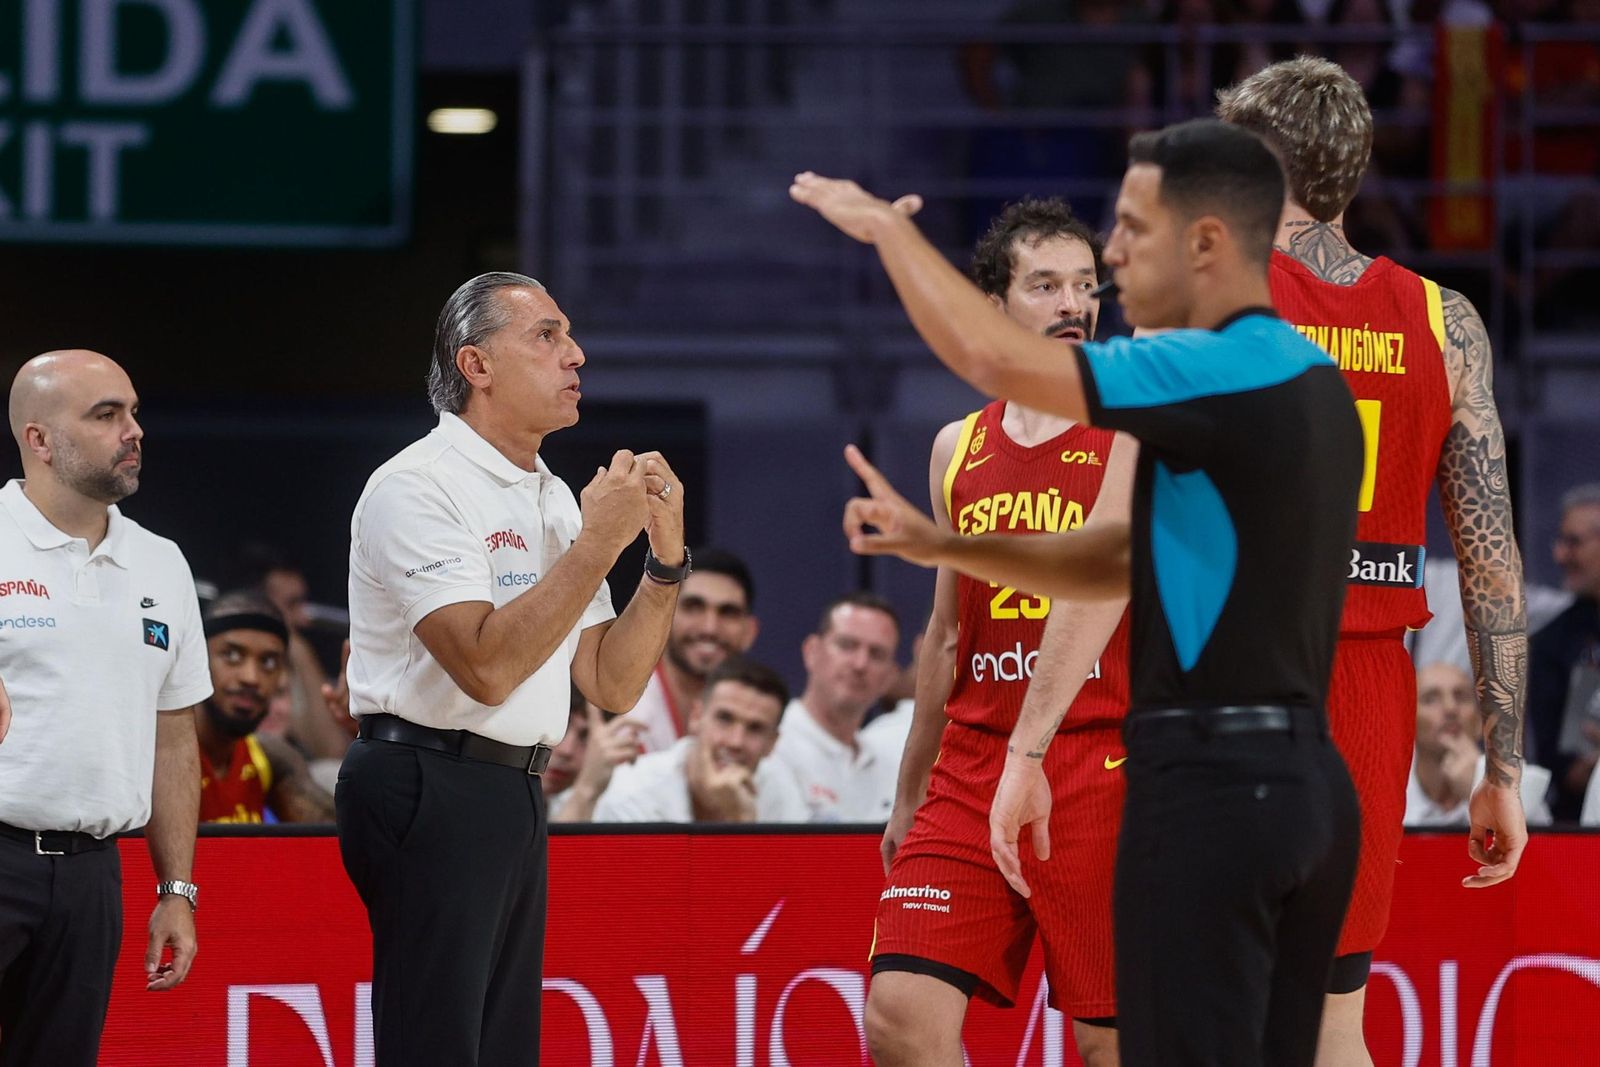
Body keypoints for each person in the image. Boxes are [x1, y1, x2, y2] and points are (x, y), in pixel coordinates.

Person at [793, 117, 1366, 1065]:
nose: (1112, 256)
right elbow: (1107, 560)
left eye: (1133, 230)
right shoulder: (1303, 379)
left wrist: (891, 234)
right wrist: (940, 540)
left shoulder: (1193, 371)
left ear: (1206, 243)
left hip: (1195, 776)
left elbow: (995, 361)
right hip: (1289, 779)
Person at [1216, 57, 1530, 1065]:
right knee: (1332, 1016)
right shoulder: (1448, 323)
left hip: (1230, 677)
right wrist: (1501, 768)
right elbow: (1490, 570)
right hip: (1367, 698)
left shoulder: (1213, 294)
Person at [335, 272, 686, 1065]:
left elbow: (610, 680)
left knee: (501, 1050)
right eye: (548, 335)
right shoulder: (416, 487)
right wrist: (599, 542)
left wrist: (664, 563)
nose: (577, 355)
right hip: (426, 773)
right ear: (476, 365)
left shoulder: (553, 495)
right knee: (437, 1044)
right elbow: (486, 668)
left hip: (512, 786)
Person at [864, 197, 1135, 1067]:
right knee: (900, 1015)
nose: (1072, 304)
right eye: (1046, 284)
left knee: (1110, 1040)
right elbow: (946, 635)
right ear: (993, 308)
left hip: (1104, 759)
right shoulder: (958, 446)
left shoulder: (1135, 427)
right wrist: (912, 787)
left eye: (1085, 286)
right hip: (976, 763)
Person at [0, 350, 210, 1066]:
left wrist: (176, 887)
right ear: (39, 440)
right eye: (105, 414)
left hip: (94, 875)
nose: (135, 429)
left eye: (133, 410)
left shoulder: (164, 562)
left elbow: (175, 735)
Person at [593, 657, 808, 822]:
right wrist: (739, 827)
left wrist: (740, 822)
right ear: (696, 717)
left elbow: (796, 880)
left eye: (755, 728)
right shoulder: (633, 792)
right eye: (725, 719)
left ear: (772, 743)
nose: (735, 741)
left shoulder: (781, 791)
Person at [194, 590, 335, 824]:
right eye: (232, 655)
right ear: (197, 657)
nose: (251, 677)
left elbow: (338, 843)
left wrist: (365, 734)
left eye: (268, 662)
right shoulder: (156, 751)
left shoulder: (270, 757)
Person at [768, 592, 903, 821]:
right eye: (847, 645)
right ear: (811, 651)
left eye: (876, 654)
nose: (860, 664)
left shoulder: (895, 769)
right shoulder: (770, 745)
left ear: (890, 677)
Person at [620, 546, 760, 753]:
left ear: (750, 632)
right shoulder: (619, 706)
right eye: (693, 607)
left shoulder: (765, 722)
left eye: (728, 612)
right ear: (665, 617)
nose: (709, 628)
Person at [1406, 662, 1552, 827]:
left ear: (1479, 722)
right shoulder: (1384, 794)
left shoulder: (1519, 788)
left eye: (1461, 697)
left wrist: (1480, 786)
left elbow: (1539, 848)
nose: (1450, 708)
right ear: (1406, 721)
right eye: (1431, 699)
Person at [1528, 483, 1600, 820]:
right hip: (1582, 829)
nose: (1560, 556)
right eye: (1561, 542)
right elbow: (1560, 771)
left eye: (1573, 542)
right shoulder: (1551, 643)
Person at [543, 684, 645, 822]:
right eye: (558, 728)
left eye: (585, 737)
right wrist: (586, 791)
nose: (567, 751)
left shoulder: (618, 806)